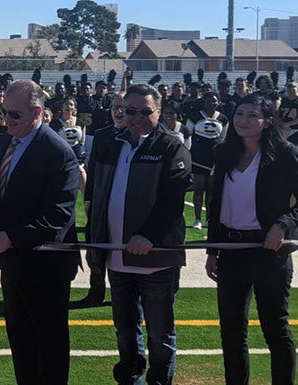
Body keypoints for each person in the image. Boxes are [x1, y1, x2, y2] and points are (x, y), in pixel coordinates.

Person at [86, 84, 191, 385]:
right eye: (130, 111)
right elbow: (94, 194)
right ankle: (130, 379)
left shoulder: (171, 147)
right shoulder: (109, 143)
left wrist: (148, 235)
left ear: (159, 112)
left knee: (160, 333)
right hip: (116, 256)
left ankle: (159, 381)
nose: (137, 118)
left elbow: (172, 202)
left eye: (145, 112)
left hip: (156, 258)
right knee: (125, 330)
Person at [0, 79, 81, 384]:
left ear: (37, 112)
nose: (7, 120)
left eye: (15, 115)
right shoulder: (9, 143)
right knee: (21, 345)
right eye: (4, 113)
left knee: (48, 349)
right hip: (13, 263)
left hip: (46, 266)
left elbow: (59, 215)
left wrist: (10, 236)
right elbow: (1, 199)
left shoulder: (58, 152)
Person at [205, 94, 298, 385]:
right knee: (231, 331)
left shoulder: (285, 154)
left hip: (270, 251)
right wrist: (212, 249)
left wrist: (283, 225)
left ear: (267, 121)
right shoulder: (224, 152)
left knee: (275, 328)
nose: (243, 121)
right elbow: (216, 202)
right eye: (240, 114)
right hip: (231, 250)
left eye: (252, 115)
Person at [80, 91, 126, 306]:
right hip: (100, 200)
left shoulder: (135, 137)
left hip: (122, 201)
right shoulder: (102, 135)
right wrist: (88, 199)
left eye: (123, 107)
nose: (119, 111)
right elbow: (94, 169)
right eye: (115, 106)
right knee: (96, 247)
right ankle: (95, 291)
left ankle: (121, 292)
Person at [187, 92, 229, 230]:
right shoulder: (195, 116)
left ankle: (209, 219)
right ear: (204, 102)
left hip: (215, 157)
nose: (212, 103)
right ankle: (197, 219)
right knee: (199, 189)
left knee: (211, 190)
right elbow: (188, 134)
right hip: (198, 157)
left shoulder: (223, 118)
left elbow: (223, 138)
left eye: (215, 101)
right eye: (209, 101)